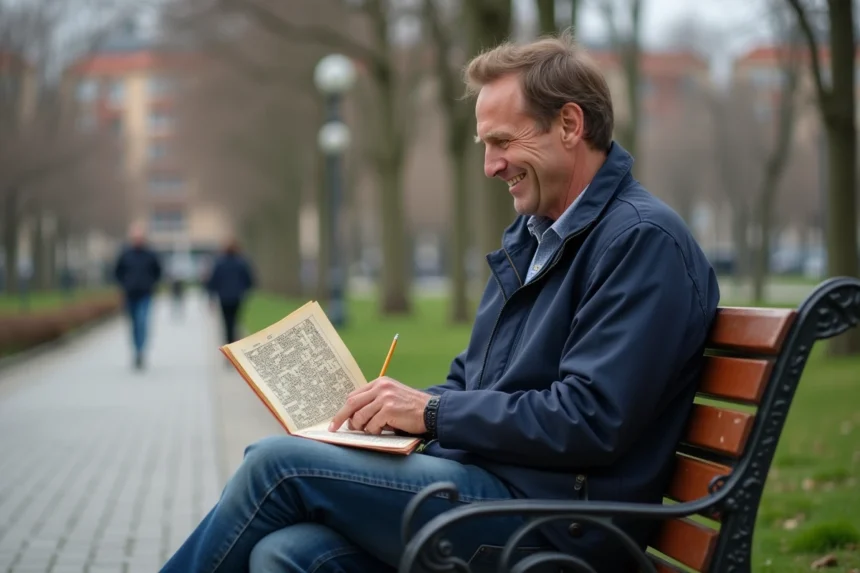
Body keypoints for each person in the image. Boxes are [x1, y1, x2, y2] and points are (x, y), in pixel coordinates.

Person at [160, 31, 720, 573]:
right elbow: (474, 380)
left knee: (274, 467)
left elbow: (590, 418)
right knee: (284, 552)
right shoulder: (532, 238)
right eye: (485, 146)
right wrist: (387, 413)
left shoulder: (642, 242)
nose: (491, 165)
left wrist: (430, 412)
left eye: (504, 142)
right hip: (498, 495)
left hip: (555, 527)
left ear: (569, 125)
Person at [114, 223, 162, 370]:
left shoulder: (150, 254)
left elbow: (158, 271)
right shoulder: (125, 254)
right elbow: (117, 272)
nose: (137, 240)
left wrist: (151, 284)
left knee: (142, 321)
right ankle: (136, 350)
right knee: (134, 324)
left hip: (145, 294)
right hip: (130, 294)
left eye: (140, 237)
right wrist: (124, 284)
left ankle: (141, 351)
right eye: (135, 237)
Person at [206, 237, 255, 345]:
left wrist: (211, 296)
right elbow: (249, 279)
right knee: (235, 319)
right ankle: (233, 340)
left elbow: (213, 280)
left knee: (226, 321)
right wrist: (245, 290)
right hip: (237, 296)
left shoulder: (219, 263)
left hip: (224, 297)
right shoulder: (242, 263)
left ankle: (229, 341)